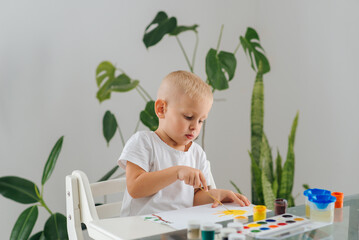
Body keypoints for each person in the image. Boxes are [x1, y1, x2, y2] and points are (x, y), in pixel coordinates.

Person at [118, 70, 250, 217]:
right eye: (188, 117)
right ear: (161, 109)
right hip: (139, 231)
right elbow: (135, 188)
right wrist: (177, 172)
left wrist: (217, 195)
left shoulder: (197, 153)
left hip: (177, 228)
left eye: (201, 121)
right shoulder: (143, 142)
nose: (195, 127)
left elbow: (195, 198)